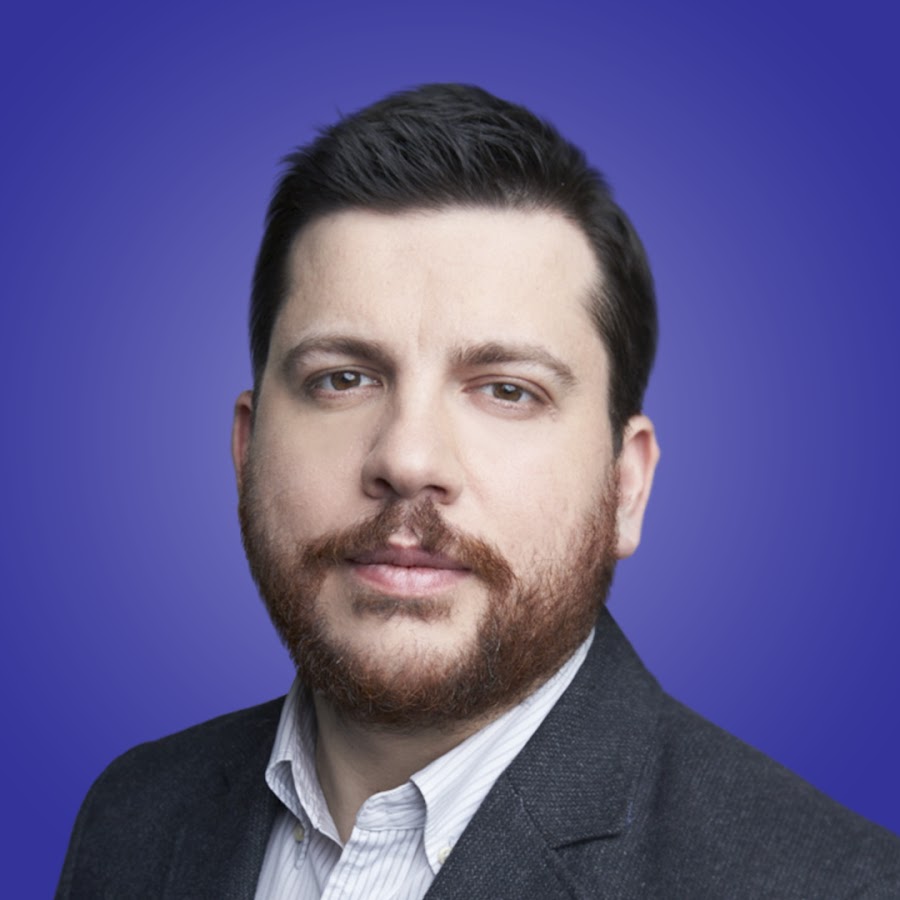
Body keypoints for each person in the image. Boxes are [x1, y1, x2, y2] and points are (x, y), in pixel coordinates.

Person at [56, 84, 900, 899]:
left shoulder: (837, 887)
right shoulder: (133, 816)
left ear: (626, 485)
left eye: (507, 390)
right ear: (246, 452)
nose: (408, 458)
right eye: (343, 378)